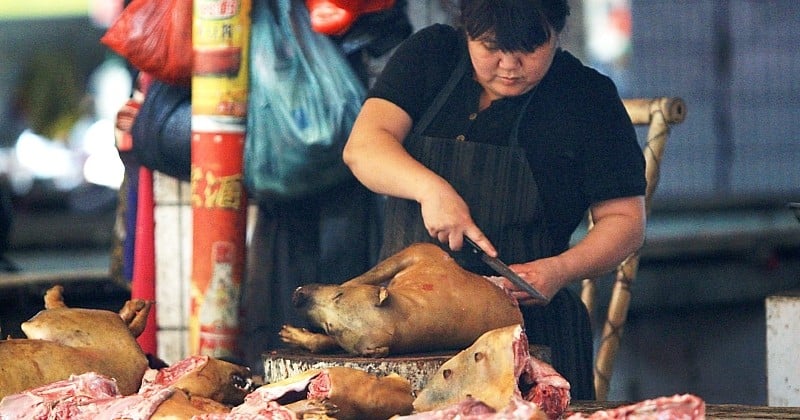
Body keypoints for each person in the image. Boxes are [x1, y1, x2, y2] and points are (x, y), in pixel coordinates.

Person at [342, 0, 647, 400]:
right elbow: (363, 147)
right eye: (491, 48)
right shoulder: (431, 55)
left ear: (557, 33)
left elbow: (624, 220)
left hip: (530, 333)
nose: (508, 65)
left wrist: (558, 270)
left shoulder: (587, 98)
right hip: (404, 329)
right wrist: (430, 189)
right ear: (466, 30)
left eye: (528, 49)